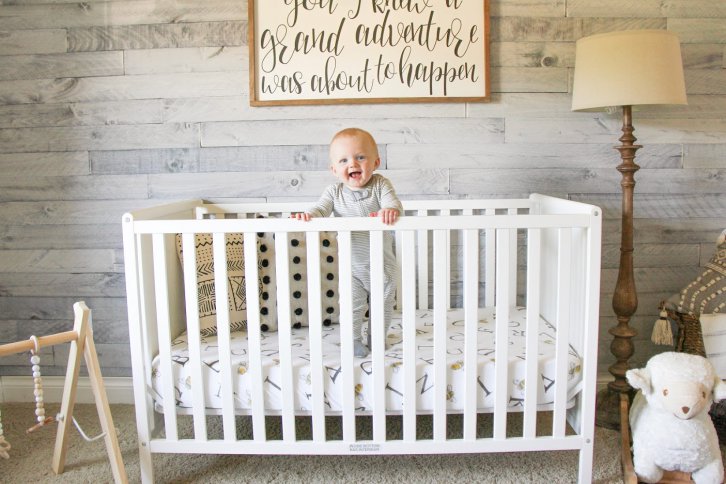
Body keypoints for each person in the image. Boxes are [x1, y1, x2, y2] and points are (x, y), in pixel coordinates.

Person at [294, 128, 402, 357]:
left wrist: (389, 210)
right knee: (353, 306)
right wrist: (308, 216)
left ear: (375, 162)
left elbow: (393, 203)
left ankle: (376, 336)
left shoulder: (380, 185)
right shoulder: (334, 192)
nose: (352, 163)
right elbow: (321, 209)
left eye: (360, 157)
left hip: (383, 265)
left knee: (383, 305)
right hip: (352, 267)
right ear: (334, 169)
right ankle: (353, 340)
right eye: (343, 160)